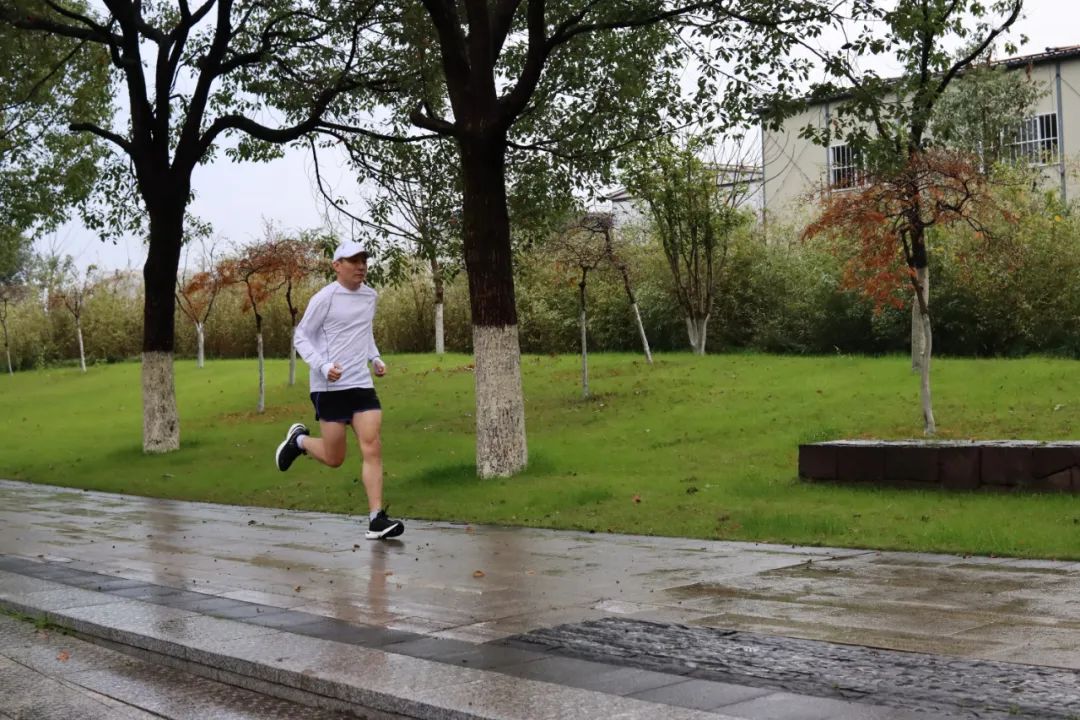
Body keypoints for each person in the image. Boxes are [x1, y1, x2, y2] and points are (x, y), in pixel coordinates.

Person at [274, 240, 404, 540]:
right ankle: (300, 441)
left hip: (360, 383)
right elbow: (301, 337)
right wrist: (322, 366)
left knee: (372, 445)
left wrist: (375, 357)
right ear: (337, 266)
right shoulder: (325, 298)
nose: (361, 266)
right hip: (329, 387)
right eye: (353, 261)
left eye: (364, 260)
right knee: (335, 458)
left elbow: (363, 331)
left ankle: (376, 519)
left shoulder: (370, 296)